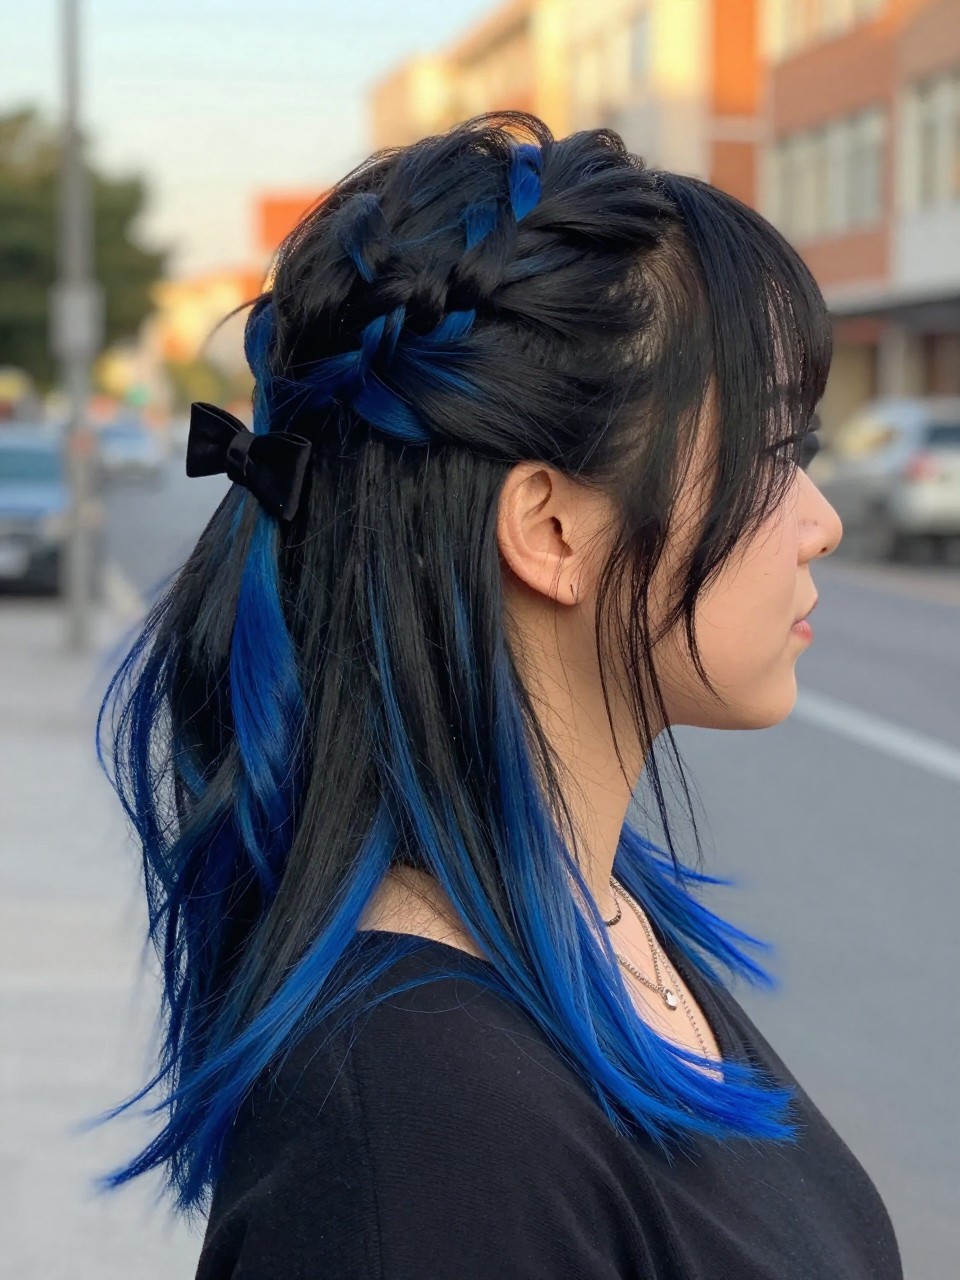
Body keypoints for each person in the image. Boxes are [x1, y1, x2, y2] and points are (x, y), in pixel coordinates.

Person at [94, 112, 902, 1278]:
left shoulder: (590, 917)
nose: (819, 520)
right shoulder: (421, 1125)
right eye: (776, 447)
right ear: (551, 525)